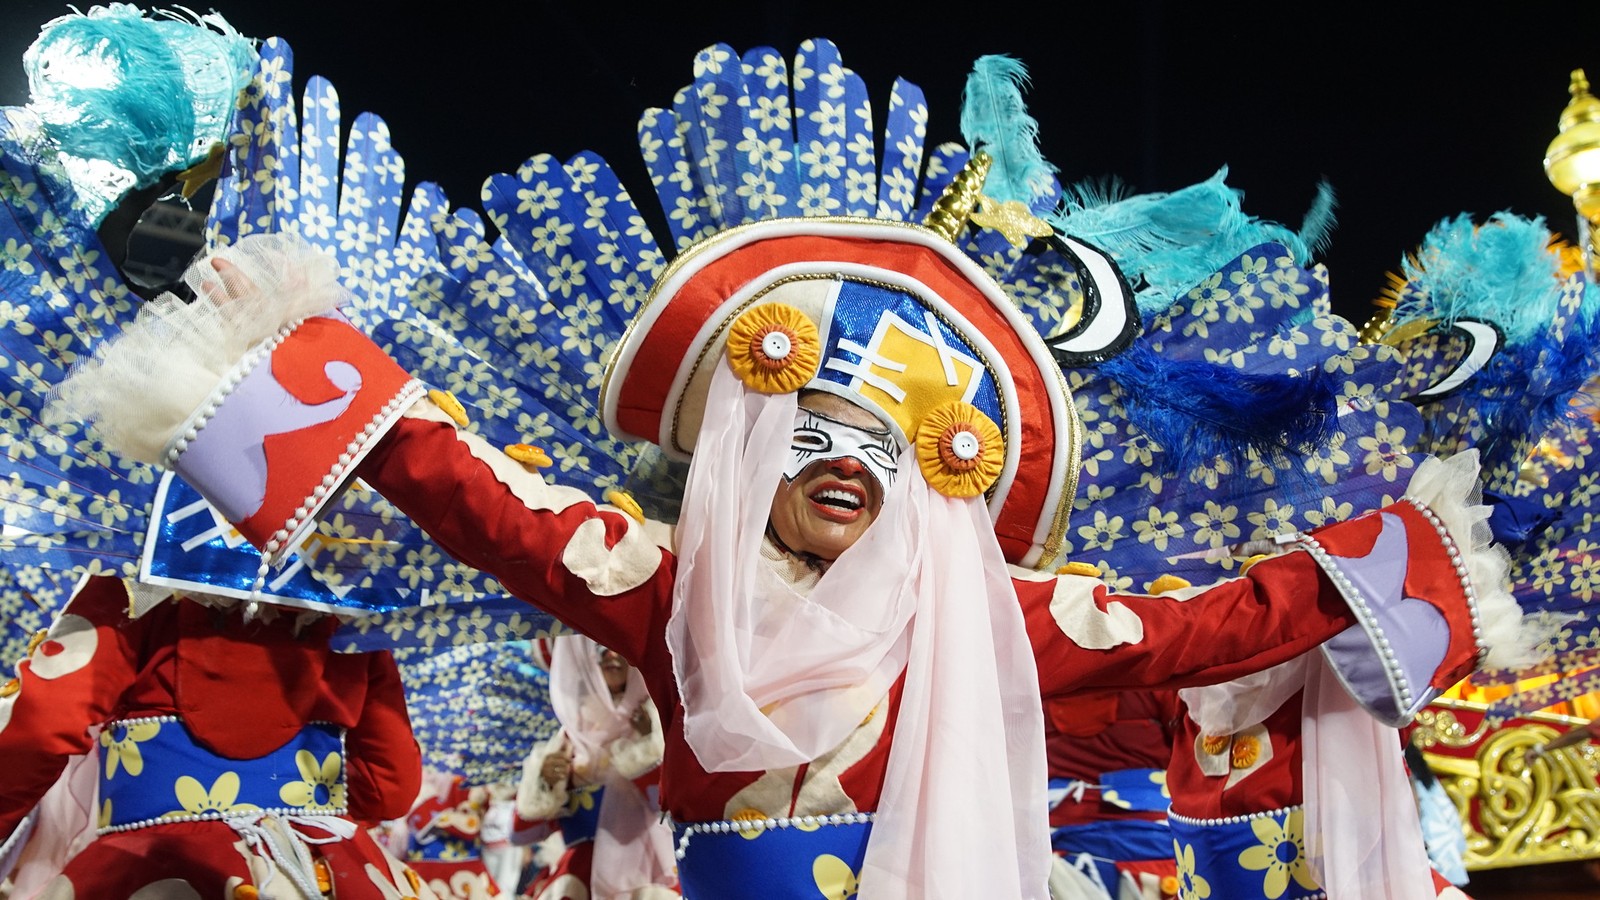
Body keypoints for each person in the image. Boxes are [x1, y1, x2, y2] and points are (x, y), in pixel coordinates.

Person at [49, 39, 1530, 900]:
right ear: (745, 456)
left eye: (883, 447)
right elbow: (465, 486)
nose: (848, 464)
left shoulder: (993, 620)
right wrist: (266, 340)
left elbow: (1218, 626)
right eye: (810, 431)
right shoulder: (666, 590)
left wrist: (1432, 549)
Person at [515, 635, 676, 900]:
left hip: (648, 876)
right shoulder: (568, 739)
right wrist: (542, 783)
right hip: (579, 878)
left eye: (620, 647)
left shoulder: (660, 723)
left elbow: (672, 809)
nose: (611, 654)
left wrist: (649, 752)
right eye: (599, 648)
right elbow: (523, 833)